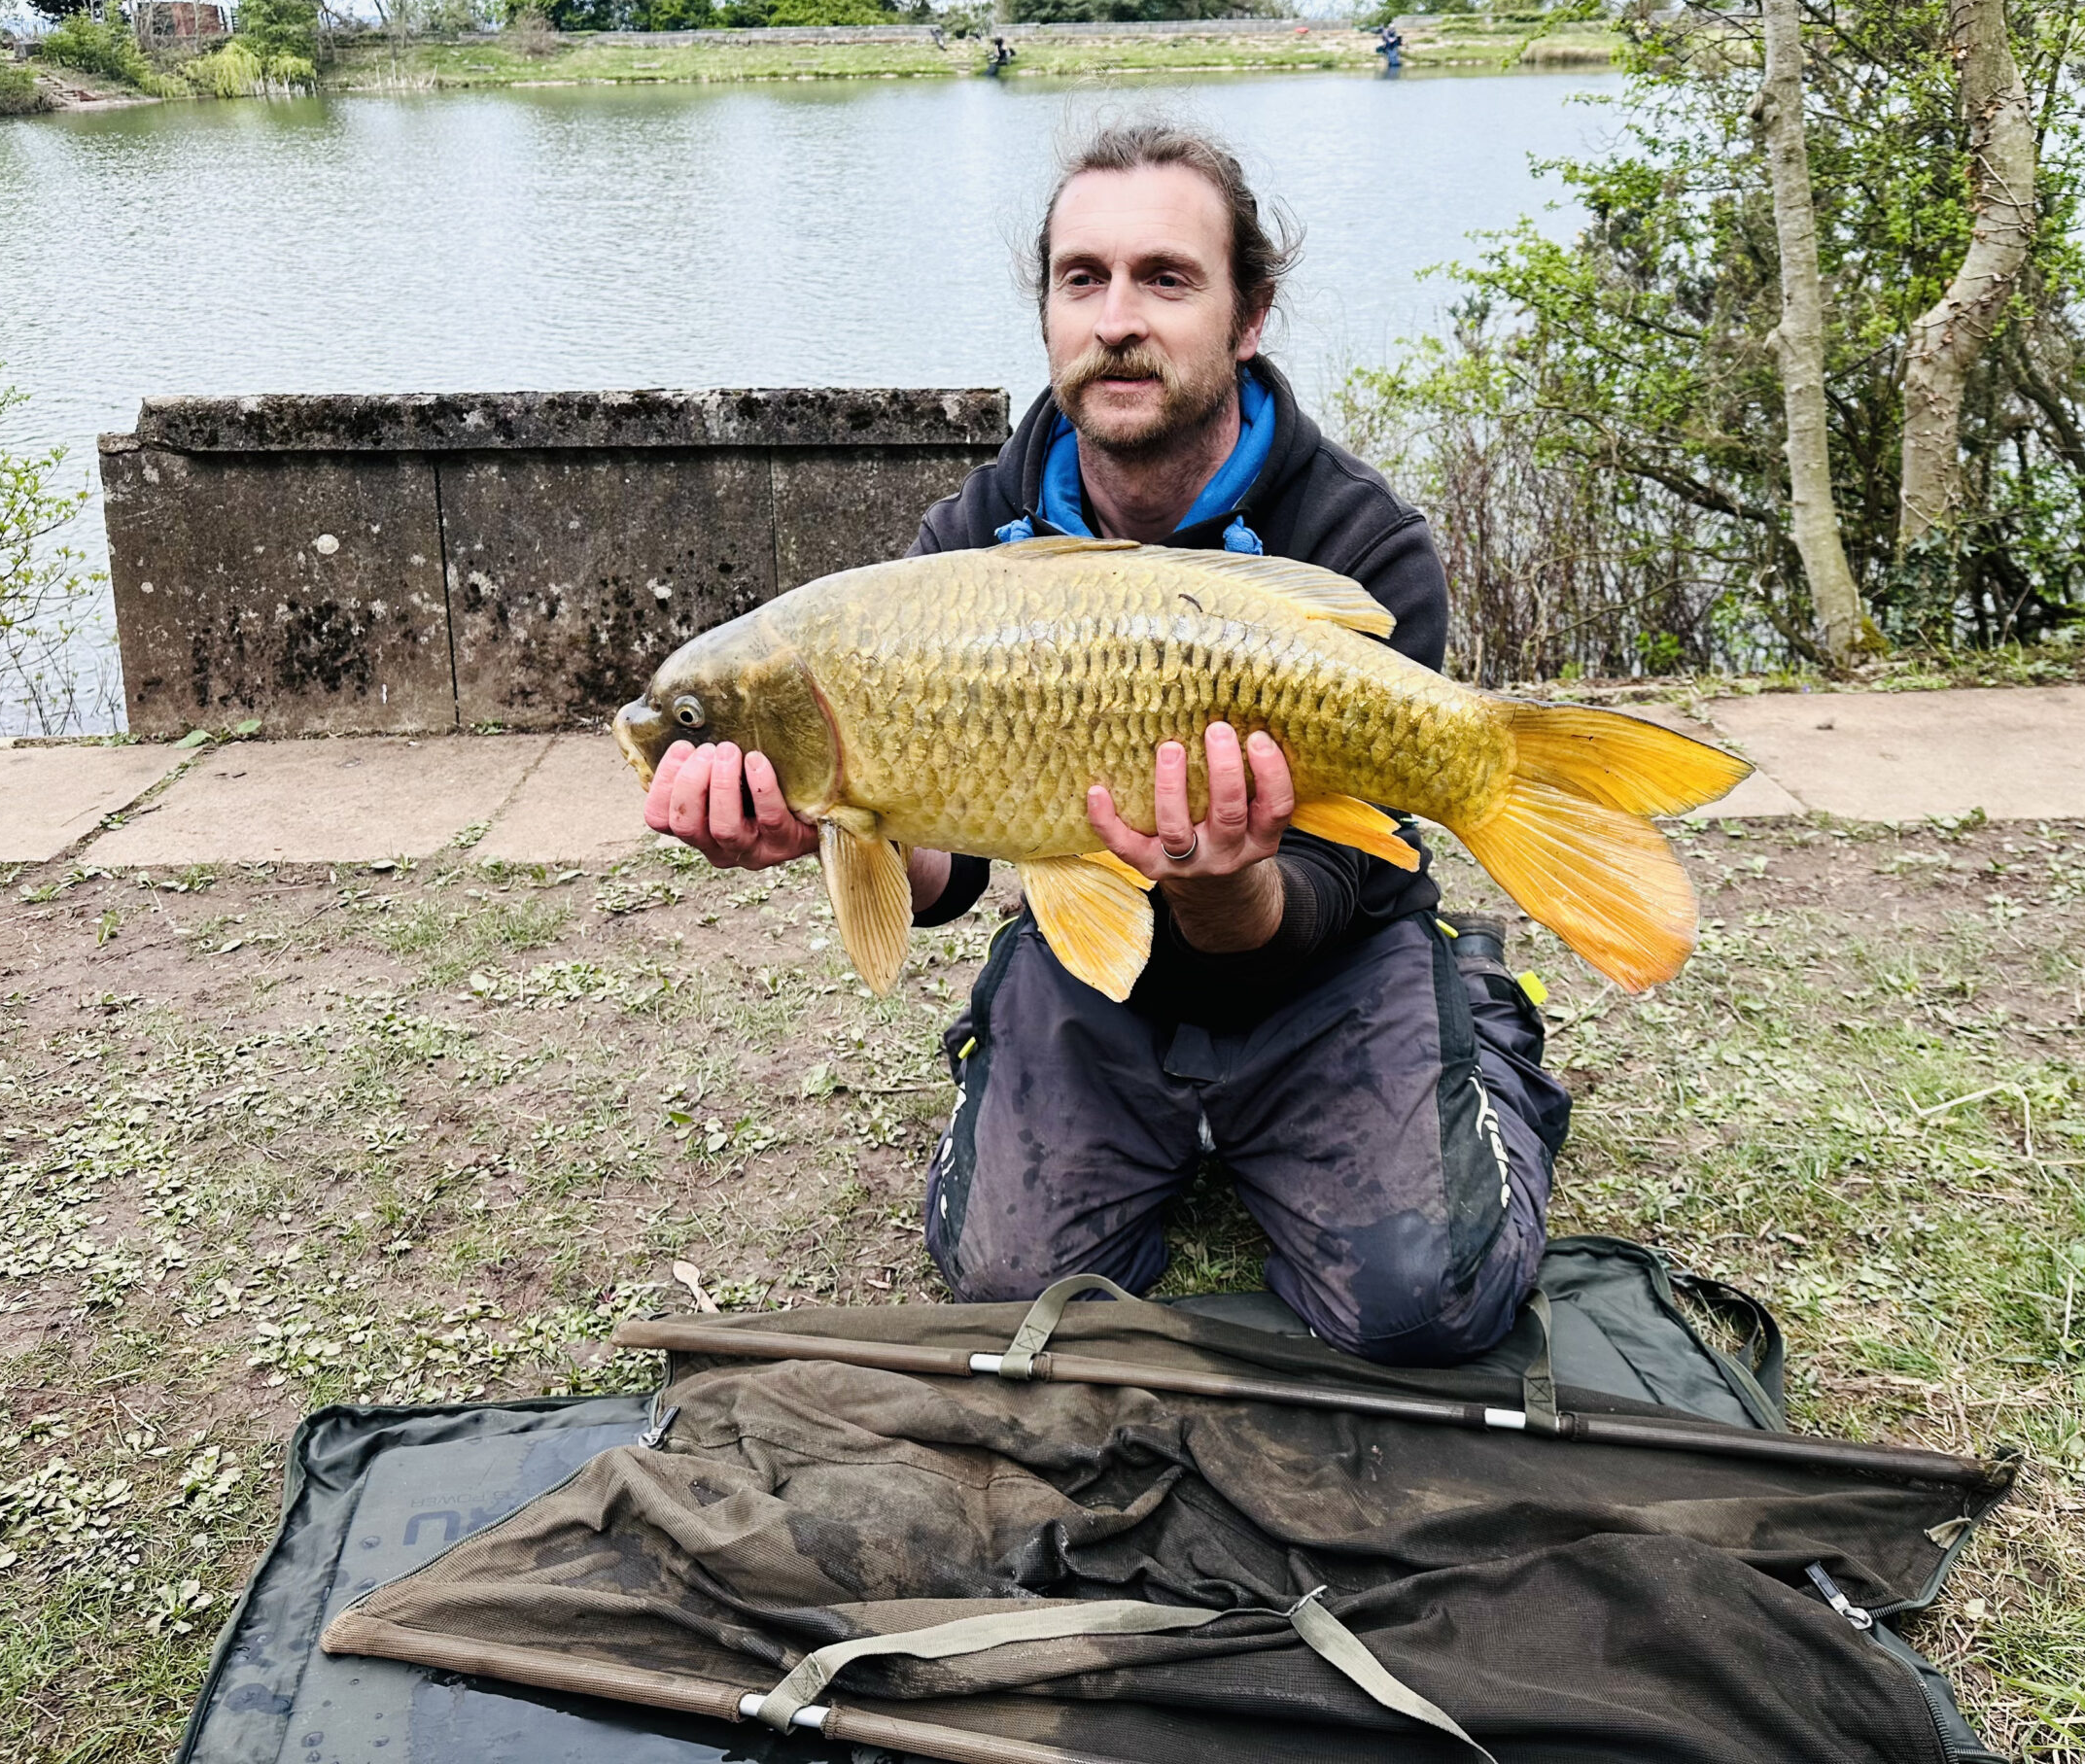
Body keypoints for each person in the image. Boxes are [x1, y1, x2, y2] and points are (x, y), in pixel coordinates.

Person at [643, 123, 1569, 1367]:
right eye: (1082, 279)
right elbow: (945, 870)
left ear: (1249, 316)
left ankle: (1471, 1014)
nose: (1117, 319)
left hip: (1327, 960)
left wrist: (1221, 886)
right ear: (1046, 312)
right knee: (1007, 1289)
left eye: (1165, 278)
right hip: (1099, 976)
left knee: (1426, 1306)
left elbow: (1339, 883)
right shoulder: (965, 547)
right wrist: (823, 825)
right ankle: (1118, 1087)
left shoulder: (1359, 537)